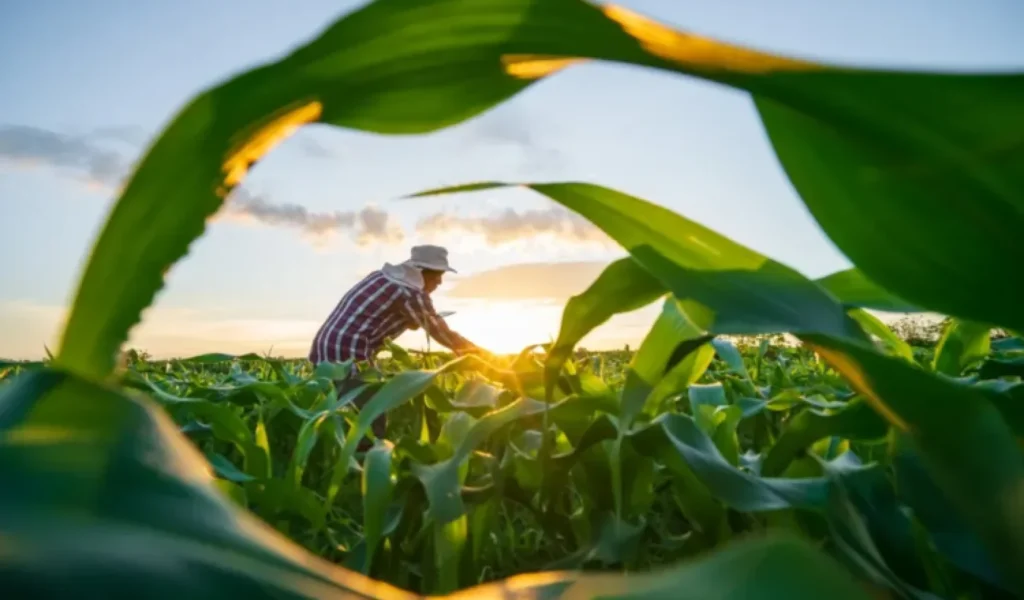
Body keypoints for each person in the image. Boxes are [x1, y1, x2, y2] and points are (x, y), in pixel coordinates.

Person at [308, 245, 484, 447]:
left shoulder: (382, 278)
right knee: (370, 415)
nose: (439, 282)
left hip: (325, 349)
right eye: (436, 276)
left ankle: (337, 456)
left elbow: (378, 315)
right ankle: (367, 465)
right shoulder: (410, 292)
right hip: (349, 352)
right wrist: (480, 356)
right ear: (421, 272)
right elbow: (440, 332)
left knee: (339, 412)